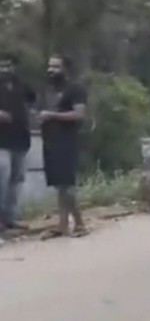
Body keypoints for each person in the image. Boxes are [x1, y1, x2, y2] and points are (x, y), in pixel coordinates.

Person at [39, 55, 88, 238]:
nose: (51, 70)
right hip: (50, 141)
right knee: (60, 186)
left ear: (65, 69)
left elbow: (79, 115)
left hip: (67, 142)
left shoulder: (75, 88)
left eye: (56, 67)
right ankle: (62, 225)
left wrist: (51, 115)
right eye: (49, 66)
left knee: (67, 185)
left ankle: (80, 223)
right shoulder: (49, 90)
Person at [0, 52, 34, 231]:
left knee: (16, 179)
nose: (6, 69)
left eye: (9, 65)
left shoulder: (22, 84)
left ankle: (10, 217)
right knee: (2, 177)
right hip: (1, 141)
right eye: (2, 65)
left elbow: (32, 102)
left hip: (20, 138)